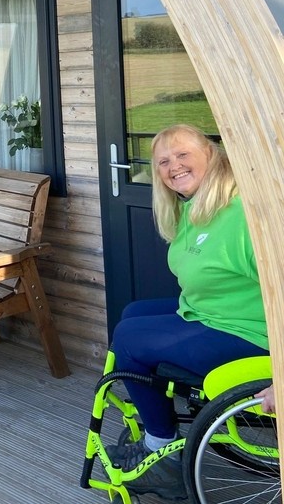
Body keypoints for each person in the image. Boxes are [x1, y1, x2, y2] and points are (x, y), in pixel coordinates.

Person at [107, 124, 269, 501]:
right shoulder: (195, 205)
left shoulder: (242, 215)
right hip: (215, 314)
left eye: (183, 155)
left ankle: (160, 449)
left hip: (254, 335)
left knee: (129, 339)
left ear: (211, 154)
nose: (173, 166)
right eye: (163, 161)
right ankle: (153, 407)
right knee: (132, 314)